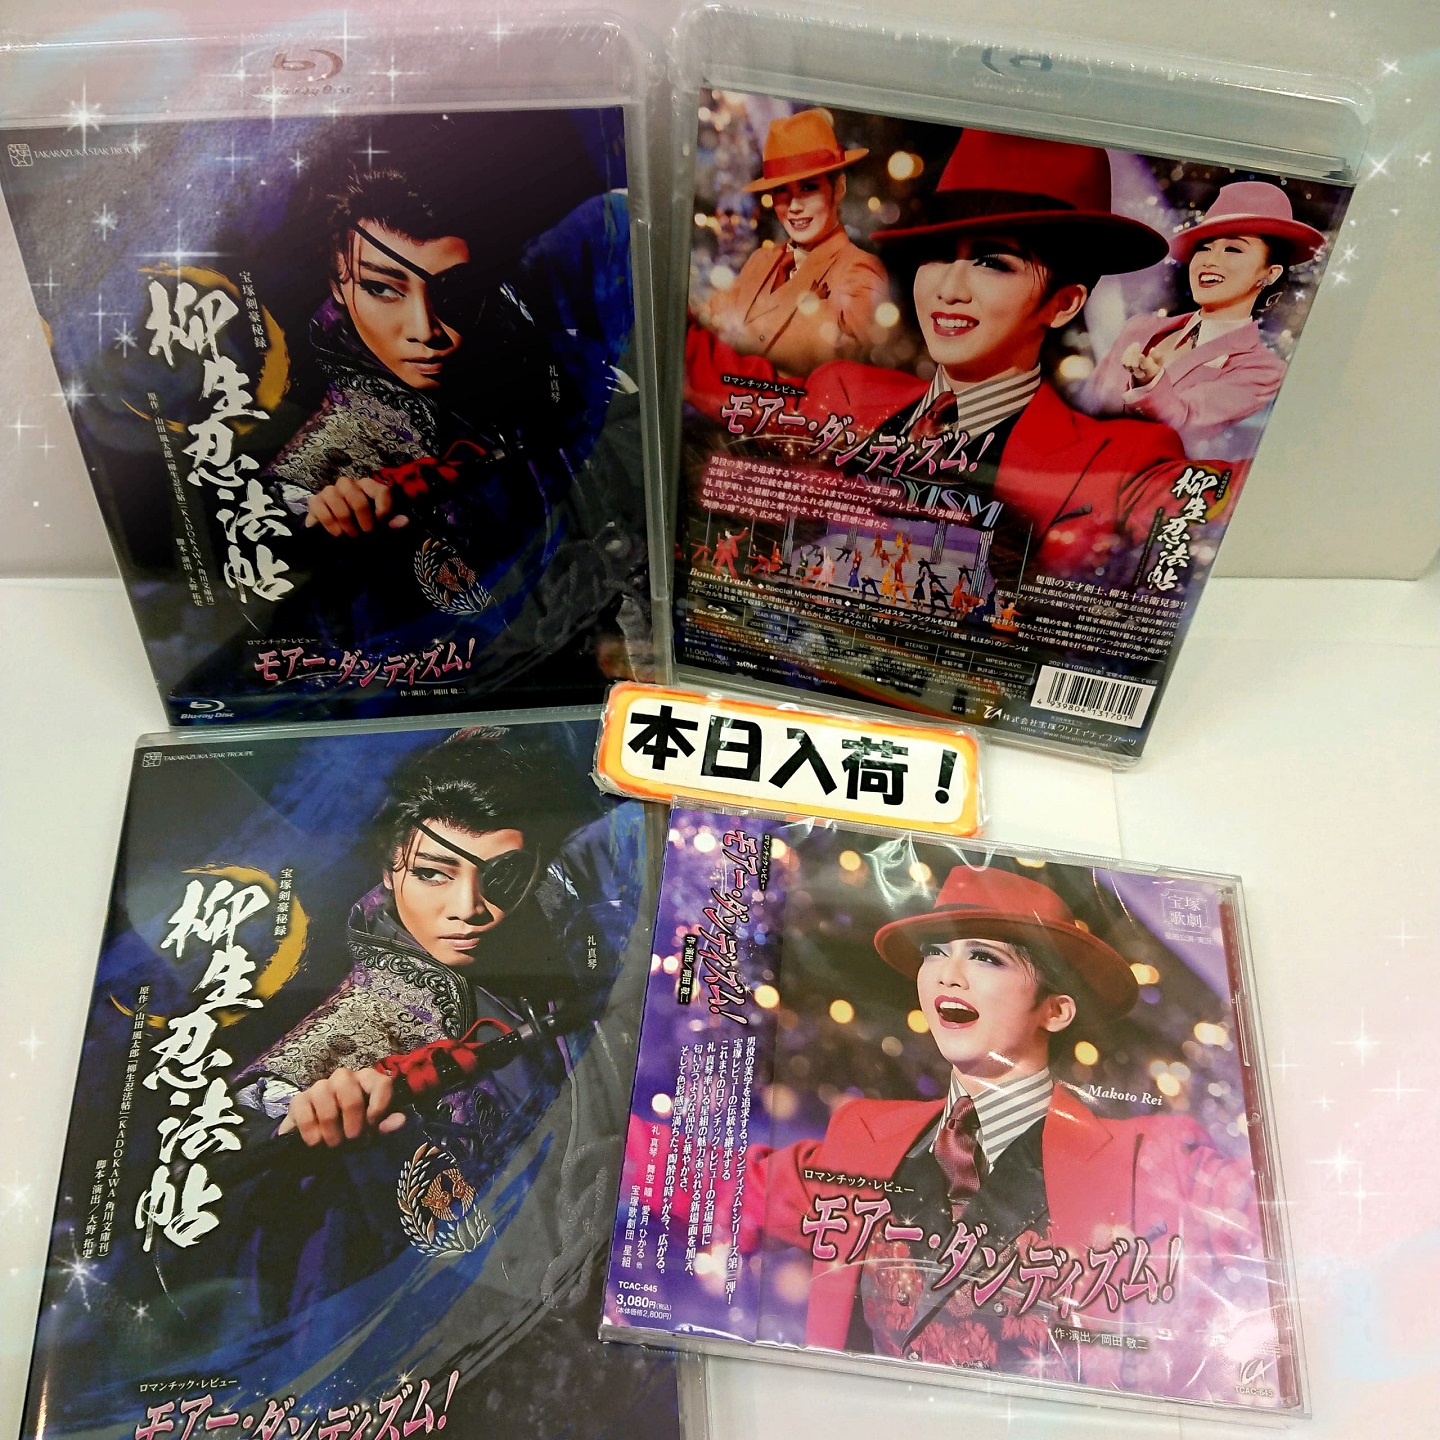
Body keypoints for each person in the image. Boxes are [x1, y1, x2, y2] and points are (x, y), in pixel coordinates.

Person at [739, 864, 1273, 1399]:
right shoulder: (862, 1137)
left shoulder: (1155, 1158)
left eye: (985, 957)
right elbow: (726, 1188)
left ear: (1056, 1010)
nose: (948, 975)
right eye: (934, 952)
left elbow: (1283, 1224)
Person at [687, 130, 1203, 589]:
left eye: (992, 263)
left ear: (1064, 303)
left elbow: (1204, 512)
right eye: (937, 255)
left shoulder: (1122, 461)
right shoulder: (845, 392)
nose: (948, 289)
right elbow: (713, 380)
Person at [238, 731, 642, 1159]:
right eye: (431, 874)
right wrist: (311, 1113)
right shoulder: (367, 1015)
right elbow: (246, 1117)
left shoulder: (549, 900)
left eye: (502, 876)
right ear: (388, 870)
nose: (468, 909)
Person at [1085, 180, 1325, 457]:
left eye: (1233, 249)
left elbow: (1185, 423)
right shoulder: (1139, 328)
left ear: (1270, 273)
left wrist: (1149, 383)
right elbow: (1087, 403)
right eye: (1204, 247)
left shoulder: (1262, 371)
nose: (1209, 261)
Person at [694, 109, 892, 376]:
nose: (794, 206)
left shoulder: (860, 270)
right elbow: (707, 322)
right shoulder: (761, 260)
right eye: (781, 191)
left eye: (808, 188)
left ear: (839, 188)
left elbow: (845, 368)